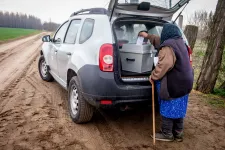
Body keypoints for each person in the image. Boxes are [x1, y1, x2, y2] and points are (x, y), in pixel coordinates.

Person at [139, 23, 194, 142]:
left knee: (168, 106)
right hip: (186, 82)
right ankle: (178, 133)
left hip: (174, 84)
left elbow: (165, 64)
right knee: (179, 108)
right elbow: (159, 41)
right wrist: (147, 36)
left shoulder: (168, 47)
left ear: (166, 34)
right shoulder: (181, 43)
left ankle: (167, 134)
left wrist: (153, 76)